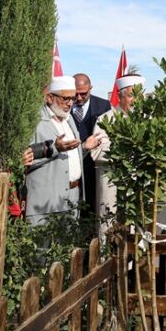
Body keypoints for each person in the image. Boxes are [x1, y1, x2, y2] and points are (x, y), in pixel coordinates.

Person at [85, 73, 145, 237]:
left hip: (139, 188)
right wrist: (125, 152)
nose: (137, 100)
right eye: (132, 95)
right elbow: (96, 152)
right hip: (111, 183)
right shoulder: (106, 119)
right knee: (108, 229)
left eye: (140, 95)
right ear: (120, 96)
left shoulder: (149, 120)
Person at [24, 76, 84, 226]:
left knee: (67, 248)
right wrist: (55, 148)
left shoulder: (68, 119)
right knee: (41, 248)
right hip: (45, 202)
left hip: (72, 199)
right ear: (50, 97)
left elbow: (69, 155)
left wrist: (86, 148)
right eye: (66, 98)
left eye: (73, 98)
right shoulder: (34, 121)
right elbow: (24, 159)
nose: (70, 103)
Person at [70, 73, 112, 216]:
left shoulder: (103, 106)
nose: (79, 98)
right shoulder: (65, 106)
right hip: (71, 167)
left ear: (91, 88)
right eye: (76, 94)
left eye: (83, 94)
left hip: (94, 167)